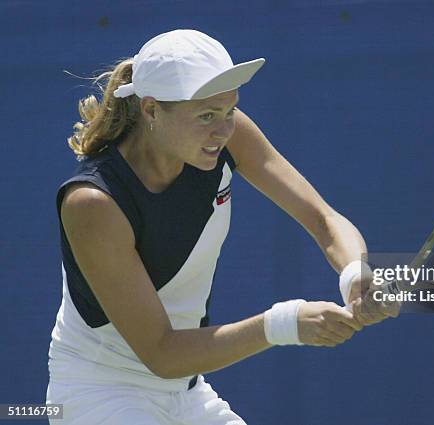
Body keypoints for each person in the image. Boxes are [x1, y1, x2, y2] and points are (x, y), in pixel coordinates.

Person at [46, 29, 397, 425]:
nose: (222, 130)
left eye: (229, 111)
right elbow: (162, 352)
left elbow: (324, 219)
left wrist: (356, 275)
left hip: (187, 390)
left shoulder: (229, 136)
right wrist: (284, 323)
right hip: (102, 395)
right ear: (150, 110)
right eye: (206, 116)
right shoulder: (93, 203)